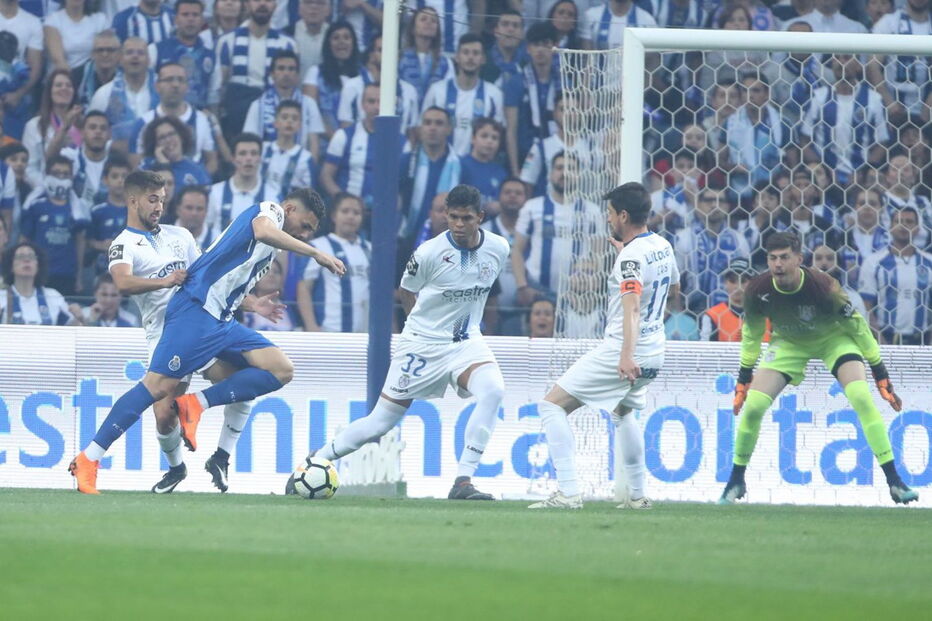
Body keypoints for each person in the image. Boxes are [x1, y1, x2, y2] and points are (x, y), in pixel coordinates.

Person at [68, 177, 346, 494]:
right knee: (158, 395)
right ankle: (88, 459)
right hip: (192, 315)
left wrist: (253, 302)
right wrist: (316, 253)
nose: (304, 233)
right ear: (289, 208)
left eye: (161, 200)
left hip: (218, 319)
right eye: (305, 225)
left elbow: (212, 269)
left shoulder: (180, 236)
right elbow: (262, 230)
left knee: (279, 369)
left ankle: (206, 426)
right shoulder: (269, 213)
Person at [287, 184, 509, 500]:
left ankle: (463, 481)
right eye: (454, 217)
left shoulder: (498, 248)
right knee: (381, 422)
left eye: (467, 218)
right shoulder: (429, 253)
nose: (459, 225)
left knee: (493, 391)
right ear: (446, 215)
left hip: (466, 342)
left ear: (480, 218)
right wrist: (422, 329)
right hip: (421, 345)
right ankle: (315, 461)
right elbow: (406, 291)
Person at [719, 232, 918, 505]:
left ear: (799, 259)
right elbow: (752, 335)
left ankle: (894, 482)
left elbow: (857, 327)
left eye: (784, 257)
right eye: (772, 258)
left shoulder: (823, 286)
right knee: (753, 407)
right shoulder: (758, 289)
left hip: (833, 340)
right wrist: (744, 378)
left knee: (861, 397)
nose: (777, 264)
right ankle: (735, 481)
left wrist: (879, 372)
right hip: (788, 343)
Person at [528, 182, 676, 509]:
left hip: (624, 351)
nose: (608, 219)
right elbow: (673, 290)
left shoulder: (632, 258)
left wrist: (625, 355)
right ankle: (637, 497)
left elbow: (633, 306)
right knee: (624, 413)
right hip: (655, 349)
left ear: (623, 215)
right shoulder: (661, 246)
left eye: (610, 213)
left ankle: (568, 493)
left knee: (552, 405)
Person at [512, 152, 603, 305]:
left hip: (578, 295)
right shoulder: (532, 207)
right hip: (537, 291)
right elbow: (517, 250)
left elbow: (599, 255)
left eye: (571, 169)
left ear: (580, 175)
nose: (565, 173)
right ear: (550, 173)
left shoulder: (592, 211)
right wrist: (522, 286)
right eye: (560, 168)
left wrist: (591, 284)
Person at [799, 54, 888, 187]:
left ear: (858, 65)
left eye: (846, 58)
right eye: (837, 58)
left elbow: (882, 143)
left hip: (859, 180)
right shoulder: (819, 97)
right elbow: (804, 140)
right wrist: (822, 169)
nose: (840, 63)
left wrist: (864, 171)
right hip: (823, 180)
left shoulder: (873, 100)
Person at [212, 0, 296, 138]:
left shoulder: (288, 44)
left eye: (268, 0)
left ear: (275, 5)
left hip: (273, 114)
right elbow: (219, 87)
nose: (262, 4)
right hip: (236, 116)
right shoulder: (226, 41)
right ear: (246, 4)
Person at [422, 34, 505, 158]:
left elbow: (498, 133)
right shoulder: (437, 90)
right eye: (466, 52)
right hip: (442, 163)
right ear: (457, 57)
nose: (470, 57)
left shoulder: (494, 94)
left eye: (476, 53)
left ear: (483, 59)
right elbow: (423, 128)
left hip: (477, 166)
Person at [296, 192, 370, 332]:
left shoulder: (370, 250)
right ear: (334, 215)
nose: (351, 216)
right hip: (328, 332)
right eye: (345, 211)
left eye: (356, 212)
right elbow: (304, 287)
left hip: (364, 335)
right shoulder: (318, 247)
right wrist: (311, 326)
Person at [859, 207, 932, 345]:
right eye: (898, 221)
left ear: (917, 228)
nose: (903, 225)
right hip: (887, 338)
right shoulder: (874, 262)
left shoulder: (929, 262)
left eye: (909, 221)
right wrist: (880, 341)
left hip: (922, 339)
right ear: (890, 227)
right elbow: (867, 306)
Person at [19, 156, 89, 295]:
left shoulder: (77, 208)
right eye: (56, 173)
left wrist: (79, 276)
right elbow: (24, 240)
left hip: (67, 273)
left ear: (71, 176)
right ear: (47, 175)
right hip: (39, 271)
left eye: (65, 174)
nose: (61, 177)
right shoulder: (35, 205)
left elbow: (80, 242)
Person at [133, 62, 218, 174]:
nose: (175, 84)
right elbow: (135, 163)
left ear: (187, 86)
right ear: (157, 86)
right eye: (169, 79)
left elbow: (212, 161)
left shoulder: (201, 119)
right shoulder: (144, 122)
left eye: (181, 80)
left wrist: (198, 180)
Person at [674, 186, 750, 311]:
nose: (715, 205)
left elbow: (747, 281)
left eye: (721, 201)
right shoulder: (684, 238)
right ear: (698, 204)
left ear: (727, 207)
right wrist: (679, 316)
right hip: (692, 313)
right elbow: (674, 281)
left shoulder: (740, 241)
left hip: (730, 314)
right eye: (709, 200)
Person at [336, 34, 419, 143]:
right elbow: (345, 125)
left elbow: (411, 131)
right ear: (372, 55)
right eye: (381, 50)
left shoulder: (409, 91)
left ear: (399, 56)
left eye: (391, 50)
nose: (386, 55)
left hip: (396, 154)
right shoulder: (352, 86)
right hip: (360, 153)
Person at [399, 107, 460, 254]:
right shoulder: (406, 161)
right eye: (427, 123)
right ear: (420, 128)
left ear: (449, 129)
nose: (432, 128)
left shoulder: (460, 166)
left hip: (447, 245)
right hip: (407, 239)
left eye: (439, 123)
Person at [243, 50, 324, 158]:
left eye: (291, 69)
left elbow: (314, 144)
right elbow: (250, 142)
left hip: (299, 167)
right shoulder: (257, 106)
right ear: (272, 74)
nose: (286, 73)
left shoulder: (309, 104)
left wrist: (310, 171)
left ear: (297, 75)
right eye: (281, 68)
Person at [504, 22, 560, 175]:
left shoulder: (564, 83)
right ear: (528, 48)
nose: (540, 49)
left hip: (557, 157)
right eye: (536, 44)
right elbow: (511, 130)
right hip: (524, 155)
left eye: (545, 44)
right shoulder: (515, 83)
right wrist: (515, 171)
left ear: (555, 47)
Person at [868, 0, 931, 120]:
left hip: (928, 111)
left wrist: (929, 105)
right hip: (891, 109)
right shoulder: (888, 22)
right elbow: (873, 65)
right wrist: (889, 102)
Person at [149, 0, 214, 110]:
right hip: (164, 119)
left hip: (197, 119)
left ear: (202, 20)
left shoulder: (211, 56)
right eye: (185, 15)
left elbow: (213, 97)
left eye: (195, 15)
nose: (190, 19)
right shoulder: (156, 50)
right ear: (176, 19)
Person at [88, 37, 158, 140]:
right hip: (118, 154)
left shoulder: (163, 89)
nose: (135, 56)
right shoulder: (104, 94)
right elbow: (92, 129)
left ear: (148, 60)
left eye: (140, 53)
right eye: (129, 52)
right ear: (120, 59)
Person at [481, 177, 525, 335]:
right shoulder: (484, 232)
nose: (512, 196)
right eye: (507, 192)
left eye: (518, 193)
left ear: (525, 199)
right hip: (490, 311)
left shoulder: (532, 232)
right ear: (498, 196)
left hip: (525, 312)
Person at [23, 69, 81, 187]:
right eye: (58, 85)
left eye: (68, 85)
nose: (63, 88)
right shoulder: (34, 126)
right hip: (45, 189)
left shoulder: (85, 125)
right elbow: (29, 169)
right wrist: (48, 187)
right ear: (49, 91)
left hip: (79, 190)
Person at [302, 21, 359, 138]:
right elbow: (310, 111)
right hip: (324, 142)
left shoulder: (363, 75)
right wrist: (336, 140)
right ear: (328, 43)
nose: (341, 42)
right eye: (335, 38)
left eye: (346, 37)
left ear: (353, 43)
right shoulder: (315, 72)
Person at [0, 241, 80, 324]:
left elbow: (72, 328)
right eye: (20, 256)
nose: (27, 260)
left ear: (38, 266)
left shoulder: (53, 296)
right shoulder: (1, 298)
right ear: (10, 266)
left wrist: (80, 318)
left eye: (31, 256)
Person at [208, 133, 274, 231]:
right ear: (233, 158)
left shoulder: (272, 196)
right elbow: (207, 228)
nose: (248, 158)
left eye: (254, 153)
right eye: (242, 153)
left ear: (260, 158)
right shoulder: (215, 192)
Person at [261, 100, 316, 201]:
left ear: (299, 125)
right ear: (276, 123)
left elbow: (309, 194)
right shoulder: (262, 149)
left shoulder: (305, 158)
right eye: (284, 117)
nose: (289, 121)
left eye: (294, 118)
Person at [140, 116, 212, 191]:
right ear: (155, 144)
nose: (168, 140)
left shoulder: (197, 170)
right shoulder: (147, 166)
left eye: (171, 134)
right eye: (162, 137)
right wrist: (163, 165)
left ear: (181, 137)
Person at [58, 111, 112, 210]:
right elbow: (48, 158)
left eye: (103, 128)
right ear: (82, 133)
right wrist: (64, 127)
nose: (98, 131)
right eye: (92, 127)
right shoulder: (70, 156)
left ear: (109, 134)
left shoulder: (116, 161)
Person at [398, 6, 451, 106]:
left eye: (433, 20)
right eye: (423, 19)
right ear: (413, 28)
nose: (429, 23)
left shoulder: (446, 63)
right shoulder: (399, 58)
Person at [88, 155, 131, 273]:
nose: (120, 180)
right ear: (105, 180)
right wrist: (101, 245)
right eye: (115, 176)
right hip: (102, 269)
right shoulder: (97, 211)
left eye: (124, 176)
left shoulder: (138, 211)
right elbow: (88, 240)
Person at [43, 0, 109, 76]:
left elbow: (105, 51)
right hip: (63, 77)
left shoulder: (100, 19)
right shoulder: (53, 20)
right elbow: (59, 61)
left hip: (93, 76)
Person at [699, 258, 755, 341]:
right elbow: (705, 351)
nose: (738, 286)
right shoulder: (713, 316)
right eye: (732, 281)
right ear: (725, 283)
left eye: (743, 281)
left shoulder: (767, 316)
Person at [459, 118, 508, 209]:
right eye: (484, 136)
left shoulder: (500, 172)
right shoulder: (460, 165)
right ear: (473, 139)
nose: (489, 141)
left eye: (494, 138)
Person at [582, 0, 656, 50]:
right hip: (599, 73)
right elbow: (585, 55)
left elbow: (652, 58)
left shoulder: (647, 20)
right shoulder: (591, 16)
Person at [284, 0, 330, 77]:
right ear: (299, 9)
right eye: (308, 2)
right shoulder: (287, 35)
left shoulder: (334, 35)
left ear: (328, 10)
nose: (314, 7)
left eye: (320, 3)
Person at [483, 9, 529, 87]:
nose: (510, 29)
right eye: (505, 24)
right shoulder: (483, 61)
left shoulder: (528, 64)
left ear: (522, 33)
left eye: (516, 25)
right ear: (496, 31)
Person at [75, 272, 139, 327]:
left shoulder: (131, 321)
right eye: (104, 295)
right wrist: (91, 321)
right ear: (95, 294)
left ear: (121, 296)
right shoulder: (83, 315)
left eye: (114, 295)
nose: (109, 300)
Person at [77, 31, 122, 106]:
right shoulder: (78, 76)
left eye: (110, 50)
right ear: (92, 54)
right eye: (100, 50)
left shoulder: (127, 75)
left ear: (119, 54)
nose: (105, 54)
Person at [174, 184, 217, 250]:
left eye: (199, 209)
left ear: (206, 211)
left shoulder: (217, 240)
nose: (194, 213)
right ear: (178, 209)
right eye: (189, 208)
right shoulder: (164, 237)